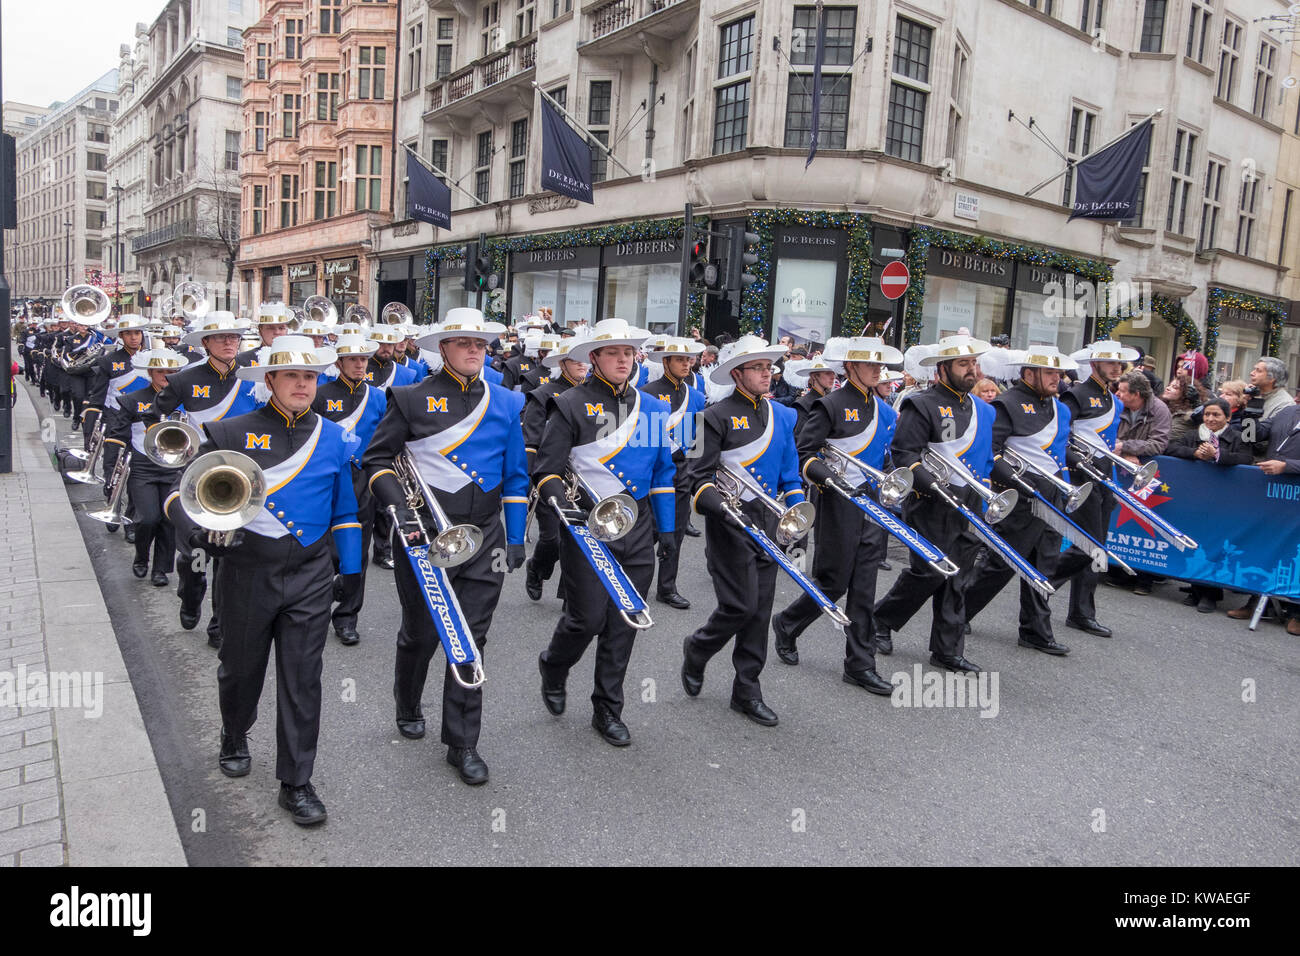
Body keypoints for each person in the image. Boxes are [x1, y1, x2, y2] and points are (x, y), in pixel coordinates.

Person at [166, 335, 360, 827]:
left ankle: (296, 781)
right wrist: (201, 535)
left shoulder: (333, 437)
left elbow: (345, 510)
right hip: (247, 570)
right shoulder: (230, 430)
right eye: (292, 375)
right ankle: (235, 733)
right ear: (269, 380)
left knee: (303, 679)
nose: (302, 384)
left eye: (311, 376)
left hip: (311, 575)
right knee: (240, 669)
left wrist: (350, 573)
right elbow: (181, 492)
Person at [362, 309, 528, 785]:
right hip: (423, 535)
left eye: (480, 342)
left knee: (471, 638)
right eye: (463, 342)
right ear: (444, 348)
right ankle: (407, 698)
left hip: (485, 536)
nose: (474, 348)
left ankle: (462, 742)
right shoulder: (412, 397)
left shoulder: (507, 402)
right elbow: (376, 460)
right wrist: (403, 512)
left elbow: (516, 476)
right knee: (422, 633)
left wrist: (515, 536)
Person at [533, 320, 676, 746]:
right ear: (593, 358)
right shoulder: (570, 403)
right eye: (613, 352)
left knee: (623, 624)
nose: (622, 360)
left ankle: (607, 708)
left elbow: (664, 472)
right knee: (586, 618)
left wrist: (668, 530)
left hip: (639, 526)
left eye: (629, 353)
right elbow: (546, 471)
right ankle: (554, 664)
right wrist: (566, 506)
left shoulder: (652, 408)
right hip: (586, 526)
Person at [681, 335, 807, 725]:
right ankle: (698, 648)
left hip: (771, 522)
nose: (767, 374)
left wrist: (797, 507)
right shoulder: (710, 417)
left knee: (760, 609)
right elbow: (695, 480)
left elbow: (789, 468)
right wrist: (722, 507)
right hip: (730, 523)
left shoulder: (784, 416)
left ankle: (747, 690)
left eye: (769, 368)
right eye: (758, 368)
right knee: (740, 605)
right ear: (737, 374)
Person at [772, 337, 902, 694]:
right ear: (850, 367)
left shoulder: (886, 411)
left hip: (873, 506)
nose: (877, 370)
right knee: (833, 582)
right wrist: (831, 479)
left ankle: (860, 664)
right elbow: (805, 455)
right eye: (869, 364)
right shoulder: (830, 405)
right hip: (838, 503)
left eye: (879, 364)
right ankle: (788, 623)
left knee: (864, 587)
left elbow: (885, 458)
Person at [872, 334, 994, 674]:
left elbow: (984, 459)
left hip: (970, 501)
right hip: (931, 501)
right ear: (943, 369)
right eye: (962, 364)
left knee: (959, 575)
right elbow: (904, 454)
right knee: (929, 571)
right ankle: (881, 619)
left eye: (973, 364)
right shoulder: (922, 403)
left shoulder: (984, 410)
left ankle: (947, 649)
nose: (971, 370)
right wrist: (931, 485)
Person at [962, 348, 1080, 657]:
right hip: (1021, 496)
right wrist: (1015, 481)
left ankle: (1035, 631)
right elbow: (993, 451)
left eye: (1059, 373)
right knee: (1001, 564)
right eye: (1050, 373)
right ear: (1028, 374)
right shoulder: (1007, 403)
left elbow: (1056, 450)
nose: (1058, 378)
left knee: (1045, 563)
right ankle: (958, 610)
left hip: (1052, 494)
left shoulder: (1060, 409)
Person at [155, 313, 263, 643]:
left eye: (234, 337)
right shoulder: (183, 380)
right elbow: (159, 419)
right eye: (221, 338)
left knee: (229, 553)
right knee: (194, 556)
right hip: (197, 472)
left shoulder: (255, 379)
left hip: (240, 473)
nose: (230, 342)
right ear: (205, 343)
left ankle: (219, 624)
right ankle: (190, 595)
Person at [1051, 341, 1136, 637]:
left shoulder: (1114, 399)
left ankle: (1080, 611)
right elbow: (1062, 435)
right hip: (1082, 476)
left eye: (1119, 363)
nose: (1117, 367)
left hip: (1105, 475)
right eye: (1110, 362)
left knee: (1096, 549)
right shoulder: (1077, 395)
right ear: (1093, 364)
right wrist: (1075, 465)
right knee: (1089, 548)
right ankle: (1042, 582)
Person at [311, 333, 389, 646]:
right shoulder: (320, 393)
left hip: (363, 481)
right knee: (325, 549)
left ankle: (347, 616)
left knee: (357, 549)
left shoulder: (379, 397)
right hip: (329, 478)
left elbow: (386, 439)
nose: (359, 365)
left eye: (363, 359)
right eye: (353, 359)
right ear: (340, 362)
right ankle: (316, 604)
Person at [105, 348, 189, 586]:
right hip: (143, 466)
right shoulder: (133, 399)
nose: (166, 376)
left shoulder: (185, 401)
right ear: (150, 373)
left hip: (175, 467)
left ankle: (161, 569)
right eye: (161, 371)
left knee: (168, 520)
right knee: (148, 519)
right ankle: (142, 556)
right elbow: (117, 436)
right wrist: (111, 469)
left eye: (172, 371)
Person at [1164, 398, 1252, 613]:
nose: (1211, 419)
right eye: (1207, 414)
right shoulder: (1194, 435)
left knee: (1216, 543)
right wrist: (1193, 454)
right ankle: (1196, 589)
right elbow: (1170, 447)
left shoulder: (1238, 437)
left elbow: (1246, 458)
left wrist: (1218, 455)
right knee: (1196, 541)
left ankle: (1211, 594)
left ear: (1228, 417)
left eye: (1216, 415)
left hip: (1224, 500)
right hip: (1196, 497)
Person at [639, 336, 707, 611]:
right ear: (665, 361)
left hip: (681, 471)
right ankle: (634, 581)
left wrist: (692, 471)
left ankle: (667, 587)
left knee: (676, 533)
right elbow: (641, 440)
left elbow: (698, 440)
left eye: (689, 360)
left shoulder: (697, 396)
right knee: (648, 531)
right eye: (680, 359)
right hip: (653, 472)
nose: (686, 364)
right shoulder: (648, 392)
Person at [522, 333, 590, 602]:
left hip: (584, 479)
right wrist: (528, 482)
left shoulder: (593, 392)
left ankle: (569, 594)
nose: (583, 366)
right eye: (576, 362)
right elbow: (531, 441)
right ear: (562, 364)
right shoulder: (542, 395)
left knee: (579, 539)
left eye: (585, 361)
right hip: (549, 475)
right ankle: (537, 568)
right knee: (553, 539)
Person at [1227, 398, 1300, 634]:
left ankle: (1297, 611)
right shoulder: (1287, 412)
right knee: (1268, 545)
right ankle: (1257, 601)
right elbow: (1251, 436)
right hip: (1273, 494)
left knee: (1295, 552)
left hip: (1295, 489)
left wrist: (1286, 465)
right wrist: (1250, 413)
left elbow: (1284, 461)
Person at [1109, 371, 1171, 596]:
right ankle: (1113, 569)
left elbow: (1159, 444)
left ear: (1136, 394)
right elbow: (1107, 437)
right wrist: (1123, 452)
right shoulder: (1116, 405)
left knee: (1143, 525)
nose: (1117, 393)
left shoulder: (1159, 410)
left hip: (1148, 475)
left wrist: (1125, 447)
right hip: (1119, 467)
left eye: (1123, 391)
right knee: (1115, 520)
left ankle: (1144, 578)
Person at [234, 303, 293, 368]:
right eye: (271, 328)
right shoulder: (243, 359)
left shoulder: (294, 358)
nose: (277, 332)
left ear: (287, 331)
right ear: (260, 330)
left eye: (281, 328)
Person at [1247, 357, 1293, 423]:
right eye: (1254, 369)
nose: (1252, 373)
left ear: (1272, 378)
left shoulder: (1285, 404)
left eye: (1258, 371)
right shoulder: (1252, 395)